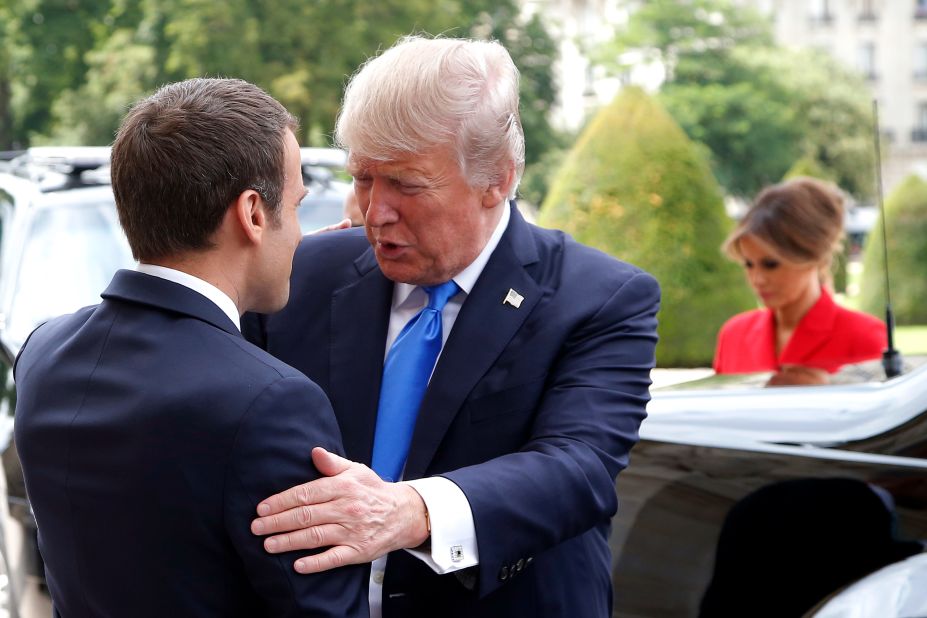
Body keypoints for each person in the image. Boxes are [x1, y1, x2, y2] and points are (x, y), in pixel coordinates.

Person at [243, 35, 660, 618]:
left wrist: (410, 512)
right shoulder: (304, 278)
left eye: (407, 185)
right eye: (363, 178)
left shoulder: (598, 297)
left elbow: (579, 468)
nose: (373, 211)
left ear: (497, 177)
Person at [13, 78, 366, 617]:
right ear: (252, 213)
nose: (299, 236)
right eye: (295, 208)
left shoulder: (43, 354)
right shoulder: (273, 404)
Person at [712, 177, 886, 385]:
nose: (757, 279)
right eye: (748, 264)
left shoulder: (864, 336)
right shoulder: (733, 335)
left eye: (771, 264)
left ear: (815, 259)